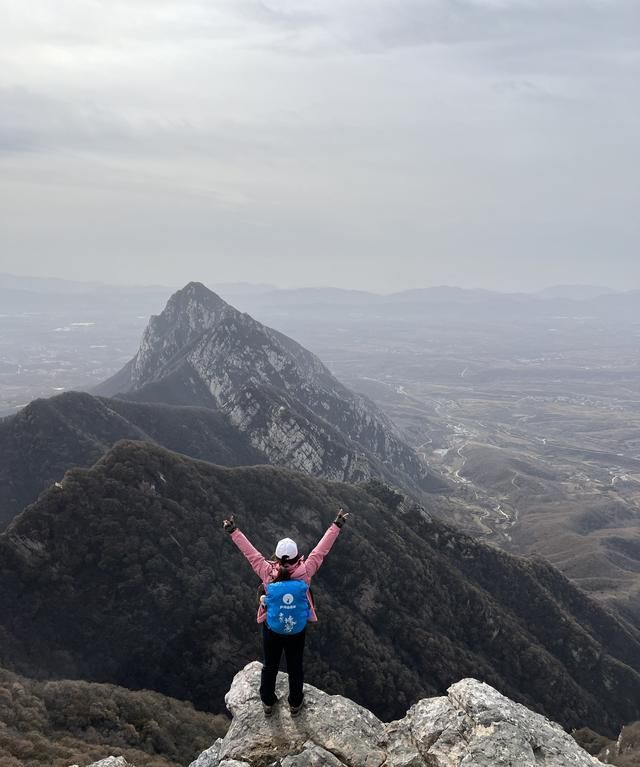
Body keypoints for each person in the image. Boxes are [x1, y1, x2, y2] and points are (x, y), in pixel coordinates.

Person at [223, 508, 349, 717]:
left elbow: (250, 553)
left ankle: (267, 701)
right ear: (297, 556)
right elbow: (321, 550)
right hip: (296, 629)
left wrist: (233, 531)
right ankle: (295, 703)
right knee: (295, 666)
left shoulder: (266, 571)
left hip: (272, 627)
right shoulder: (305, 571)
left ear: (277, 556)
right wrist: (336, 525)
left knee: (270, 665)